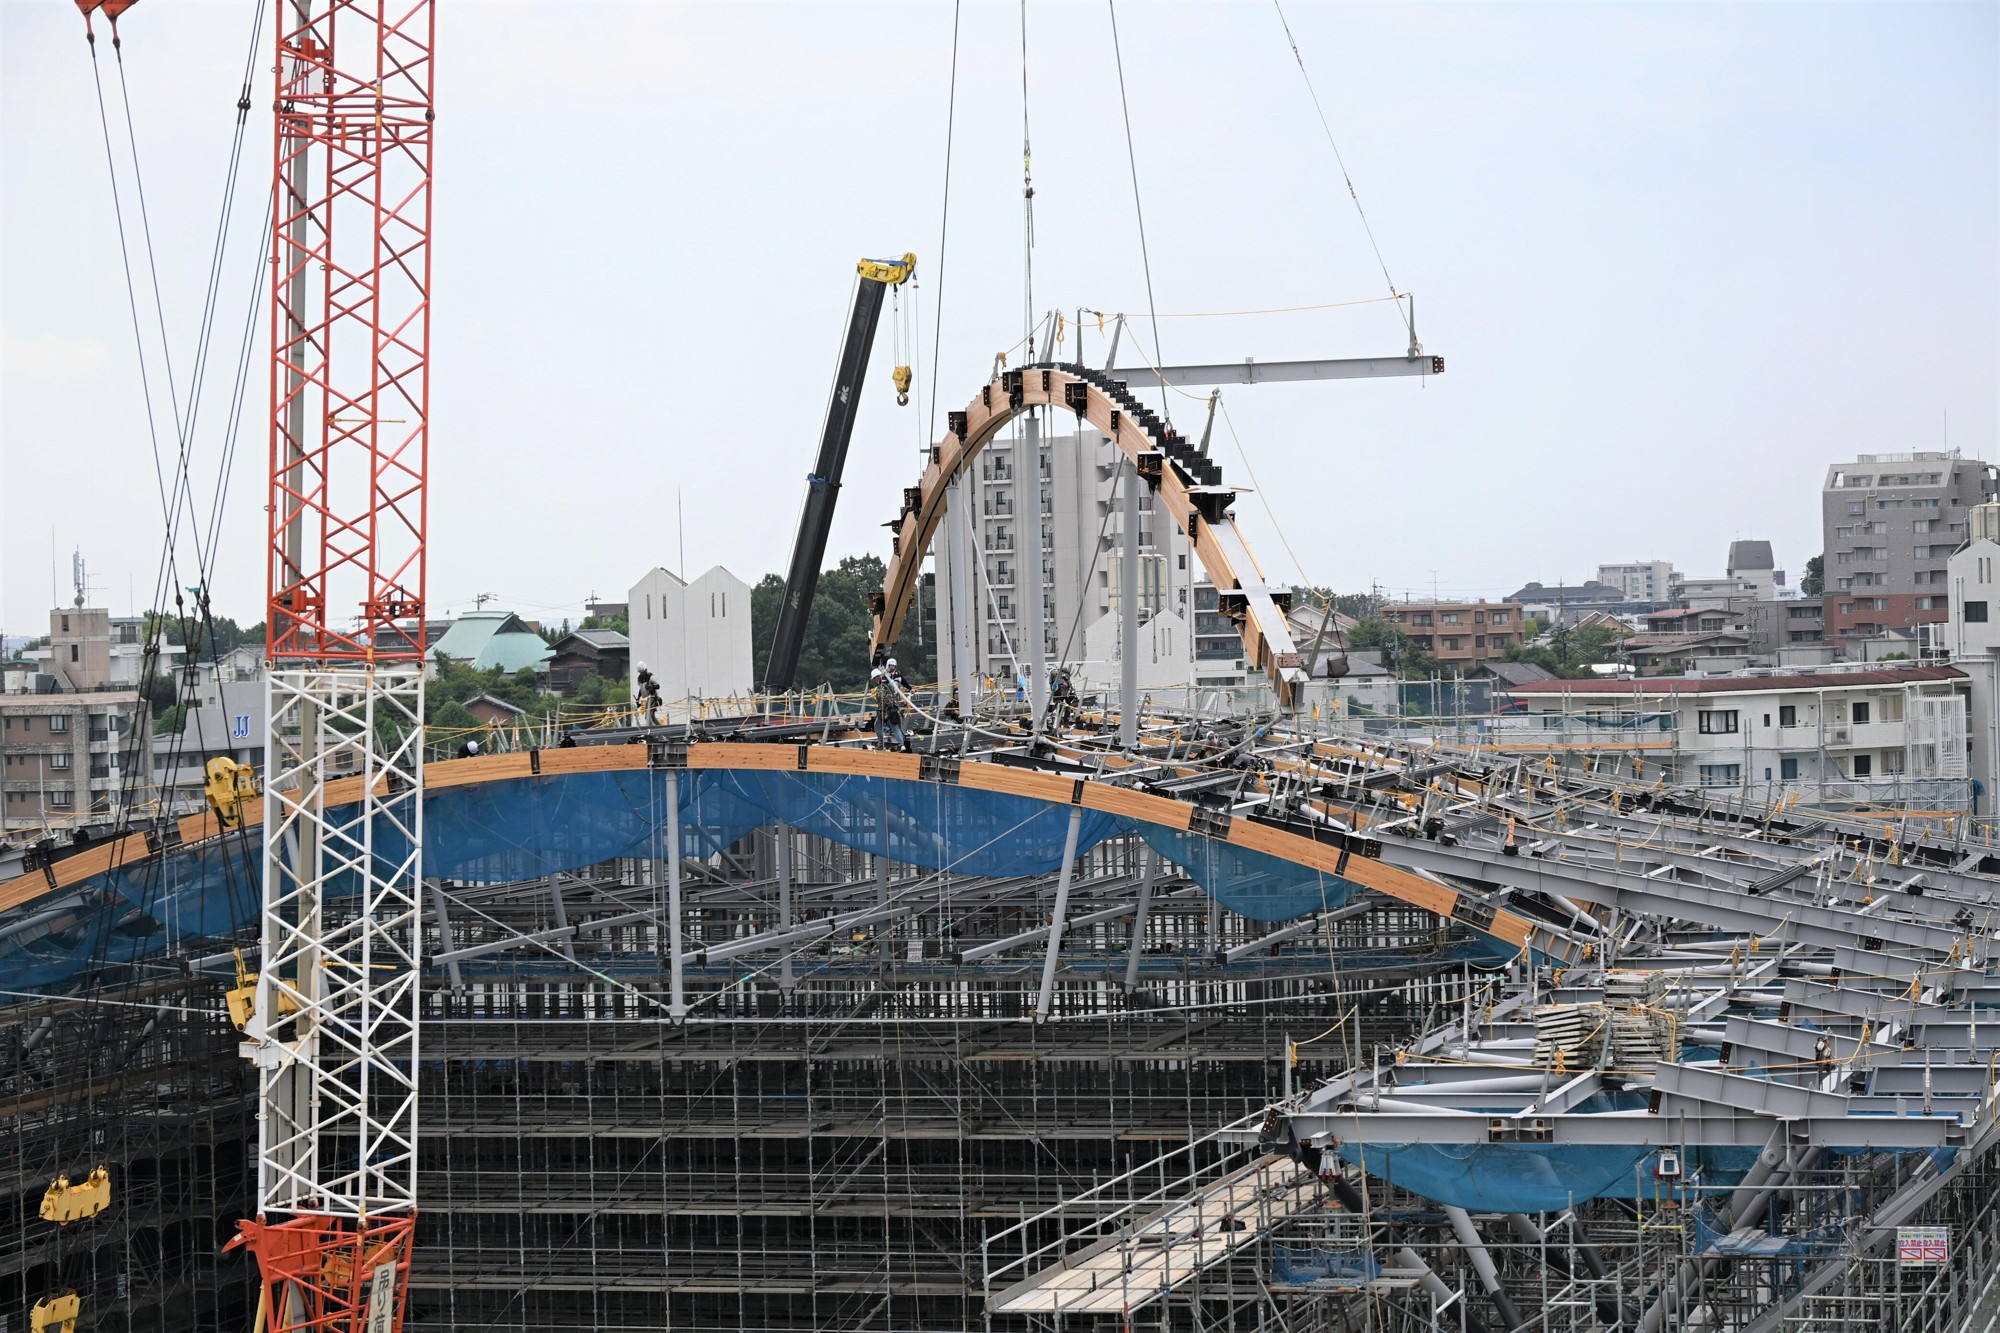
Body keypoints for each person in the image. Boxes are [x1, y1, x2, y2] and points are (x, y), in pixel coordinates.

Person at [874, 657, 908, 751]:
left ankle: (881, 745)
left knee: (878, 726)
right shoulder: (888, 680)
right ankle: (901, 745)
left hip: (887, 710)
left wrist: (884, 712)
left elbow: (883, 700)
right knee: (895, 727)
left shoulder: (883, 686)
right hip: (894, 707)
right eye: (890, 666)